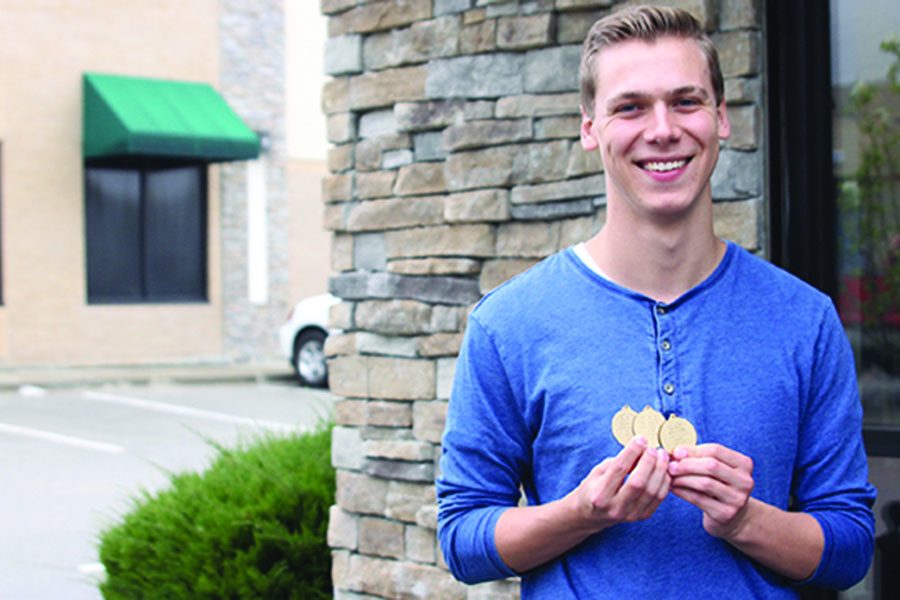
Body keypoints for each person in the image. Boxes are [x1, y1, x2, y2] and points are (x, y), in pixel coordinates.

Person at [436, 5, 876, 598]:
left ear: (721, 118)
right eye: (630, 106)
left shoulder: (806, 320)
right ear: (589, 128)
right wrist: (581, 512)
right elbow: (463, 539)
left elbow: (849, 547)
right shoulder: (508, 324)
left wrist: (746, 519)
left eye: (686, 101)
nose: (663, 128)